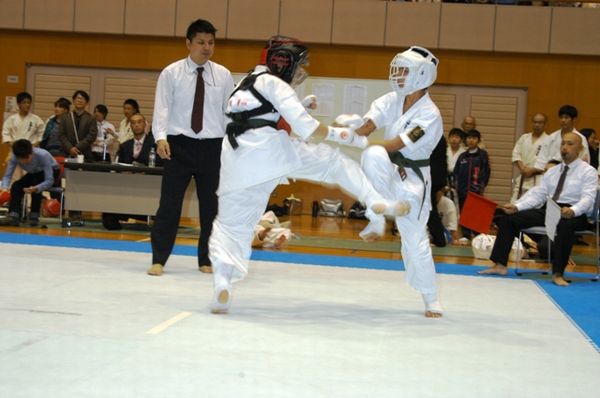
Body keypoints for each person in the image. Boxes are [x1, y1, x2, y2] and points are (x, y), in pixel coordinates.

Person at [207, 36, 408, 314]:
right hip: (270, 153)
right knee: (335, 163)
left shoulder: (244, 82)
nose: (302, 72)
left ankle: (222, 282)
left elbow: (256, 113)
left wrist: (299, 104)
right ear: (284, 63)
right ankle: (374, 201)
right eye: (300, 66)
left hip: (235, 161)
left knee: (230, 227)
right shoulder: (276, 84)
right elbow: (308, 130)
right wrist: (346, 136)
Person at [348, 46, 445, 317]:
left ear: (422, 75)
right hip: (389, 171)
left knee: (414, 239)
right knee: (373, 154)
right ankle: (378, 215)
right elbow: (368, 124)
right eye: (398, 70)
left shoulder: (429, 115)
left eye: (404, 71)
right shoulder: (393, 99)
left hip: (413, 180)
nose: (398, 76)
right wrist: (346, 131)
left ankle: (431, 298)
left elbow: (396, 144)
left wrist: (359, 140)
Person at [148, 19, 235, 276]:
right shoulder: (171, 73)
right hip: (178, 146)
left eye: (210, 42)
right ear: (188, 43)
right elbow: (161, 108)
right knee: (169, 205)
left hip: (212, 147)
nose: (206, 47)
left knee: (212, 207)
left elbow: (228, 113)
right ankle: (158, 259)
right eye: (200, 42)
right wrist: (161, 137)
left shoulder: (223, 75)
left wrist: (231, 146)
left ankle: (206, 260)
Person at [479, 132, 597, 287]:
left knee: (565, 225)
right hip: (551, 209)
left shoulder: (588, 171)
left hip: (575, 213)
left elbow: (588, 199)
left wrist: (573, 210)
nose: (565, 148)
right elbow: (539, 195)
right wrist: (517, 206)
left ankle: (558, 273)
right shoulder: (553, 171)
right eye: (563, 144)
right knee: (509, 220)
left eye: (570, 144)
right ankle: (500, 265)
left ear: (580, 149)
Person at [102, 114, 160, 230]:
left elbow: (161, 167)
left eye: (139, 122)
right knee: (108, 217)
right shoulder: (125, 146)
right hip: (128, 187)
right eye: (133, 123)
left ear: (145, 124)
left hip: (149, 188)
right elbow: (119, 167)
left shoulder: (155, 145)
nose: (136, 125)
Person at [0, 139, 59, 226]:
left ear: (31, 152)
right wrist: (4, 188)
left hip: (52, 171)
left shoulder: (43, 155)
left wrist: (37, 188)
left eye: (27, 157)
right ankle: (14, 215)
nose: (24, 161)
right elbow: (7, 176)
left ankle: (34, 216)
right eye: (21, 159)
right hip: (34, 173)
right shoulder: (14, 157)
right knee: (16, 186)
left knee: (36, 185)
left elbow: (50, 180)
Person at [453, 129, 491, 241]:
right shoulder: (462, 156)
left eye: (474, 138)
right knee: (464, 211)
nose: (471, 140)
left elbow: (486, 171)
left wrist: (482, 186)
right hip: (463, 190)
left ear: (478, 140)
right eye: (469, 138)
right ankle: (465, 235)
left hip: (476, 190)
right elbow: (456, 172)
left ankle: (477, 235)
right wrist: (457, 186)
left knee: (476, 213)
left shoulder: (483, 155)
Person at [535, 105, 589, 171]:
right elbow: (541, 160)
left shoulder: (580, 138)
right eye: (561, 117)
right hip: (550, 173)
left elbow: (584, 160)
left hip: (572, 173)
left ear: (574, 119)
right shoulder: (551, 137)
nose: (563, 120)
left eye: (566, 118)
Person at [510, 113, 549, 202]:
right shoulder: (524, 138)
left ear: (545, 125)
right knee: (515, 204)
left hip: (538, 179)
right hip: (523, 178)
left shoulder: (549, 140)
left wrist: (532, 170)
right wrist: (523, 168)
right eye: (535, 122)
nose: (537, 125)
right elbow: (516, 154)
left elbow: (549, 162)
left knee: (534, 206)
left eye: (540, 123)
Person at [57, 90, 98, 162]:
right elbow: (61, 135)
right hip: (66, 152)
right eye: (78, 98)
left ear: (87, 102)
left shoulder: (91, 119)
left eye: (82, 99)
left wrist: (77, 147)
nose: (79, 100)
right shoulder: (65, 117)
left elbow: (92, 136)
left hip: (84, 153)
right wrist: (70, 148)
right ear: (73, 100)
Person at [427, 135, 448, 247]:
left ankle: (439, 238)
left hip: (431, 177)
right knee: (429, 208)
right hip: (435, 177)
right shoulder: (440, 137)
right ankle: (437, 237)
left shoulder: (433, 136)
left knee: (429, 208)